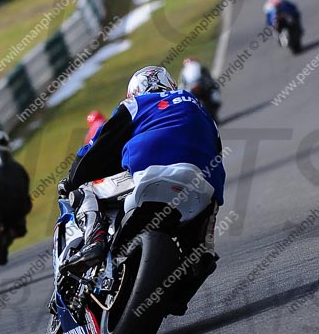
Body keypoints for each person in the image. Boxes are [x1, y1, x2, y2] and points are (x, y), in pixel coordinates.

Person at [57, 66, 225, 272]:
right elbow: (218, 156)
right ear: (171, 85)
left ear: (135, 92)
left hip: (149, 168)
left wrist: (73, 179)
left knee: (85, 190)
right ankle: (202, 249)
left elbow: (98, 148)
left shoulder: (134, 104)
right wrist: (216, 198)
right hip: (202, 182)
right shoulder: (198, 106)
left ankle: (95, 241)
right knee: (203, 233)